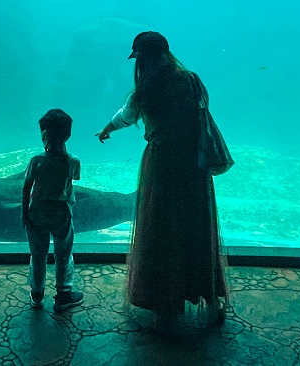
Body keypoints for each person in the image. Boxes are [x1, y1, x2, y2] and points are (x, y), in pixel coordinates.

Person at [96, 31, 228, 328]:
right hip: (193, 163)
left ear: (140, 59)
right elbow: (202, 111)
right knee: (195, 223)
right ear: (167, 52)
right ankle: (209, 297)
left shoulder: (143, 91)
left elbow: (126, 116)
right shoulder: (191, 80)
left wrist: (106, 129)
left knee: (161, 226)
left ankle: (162, 299)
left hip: (161, 163)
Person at [23, 109, 85, 311]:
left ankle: (37, 294)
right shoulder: (73, 161)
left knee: (38, 254)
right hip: (61, 212)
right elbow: (74, 179)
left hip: (37, 212)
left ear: (44, 135)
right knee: (63, 253)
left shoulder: (36, 161)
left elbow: (26, 187)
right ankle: (64, 295)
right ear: (68, 135)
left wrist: (24, 212)